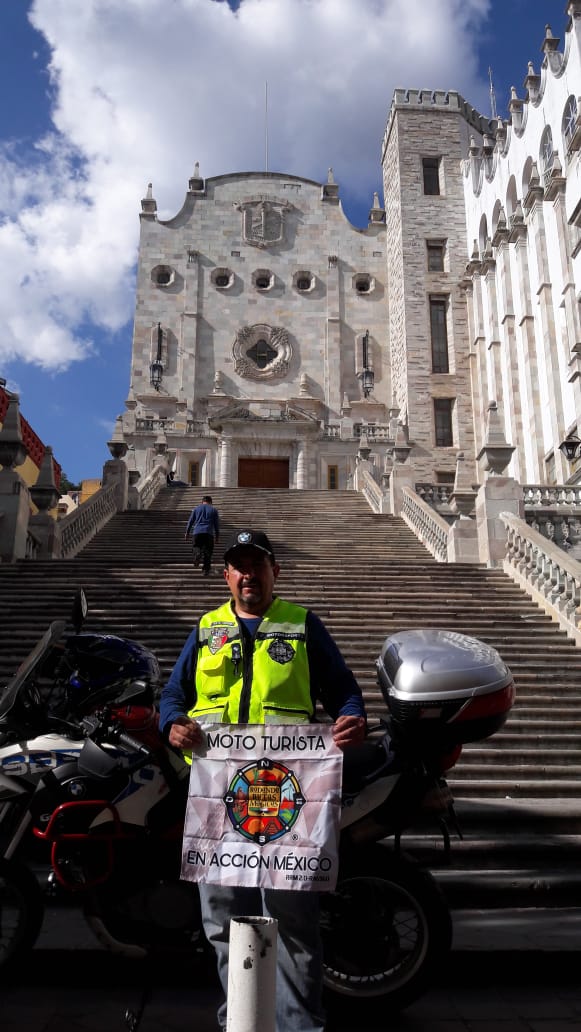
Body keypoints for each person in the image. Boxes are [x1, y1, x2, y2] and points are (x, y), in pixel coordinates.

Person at [159, 529, 367, 1032]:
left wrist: (352, 718)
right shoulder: (207, 628)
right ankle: (242, 1022)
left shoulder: (301, 624)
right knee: (224, 921)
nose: (248, 574)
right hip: (218, 802)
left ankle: (299, 1026)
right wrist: (172, 723)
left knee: (293, 919)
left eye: (258, 564)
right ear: (227, 574)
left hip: (288, 800)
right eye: (239, 565)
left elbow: (344, 691)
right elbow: (172, 695)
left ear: (276, 571)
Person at [184, 494, 220, 576]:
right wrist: (217, 536)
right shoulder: (214, 510)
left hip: (197, 532)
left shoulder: (196, 509)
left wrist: (187, 532)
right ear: (211, 502)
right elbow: (216, 524)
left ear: (202, 502)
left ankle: (197, 554)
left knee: (196, 546)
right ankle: (205, 570)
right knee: (208, 552)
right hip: (208, 533)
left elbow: (190, 521)